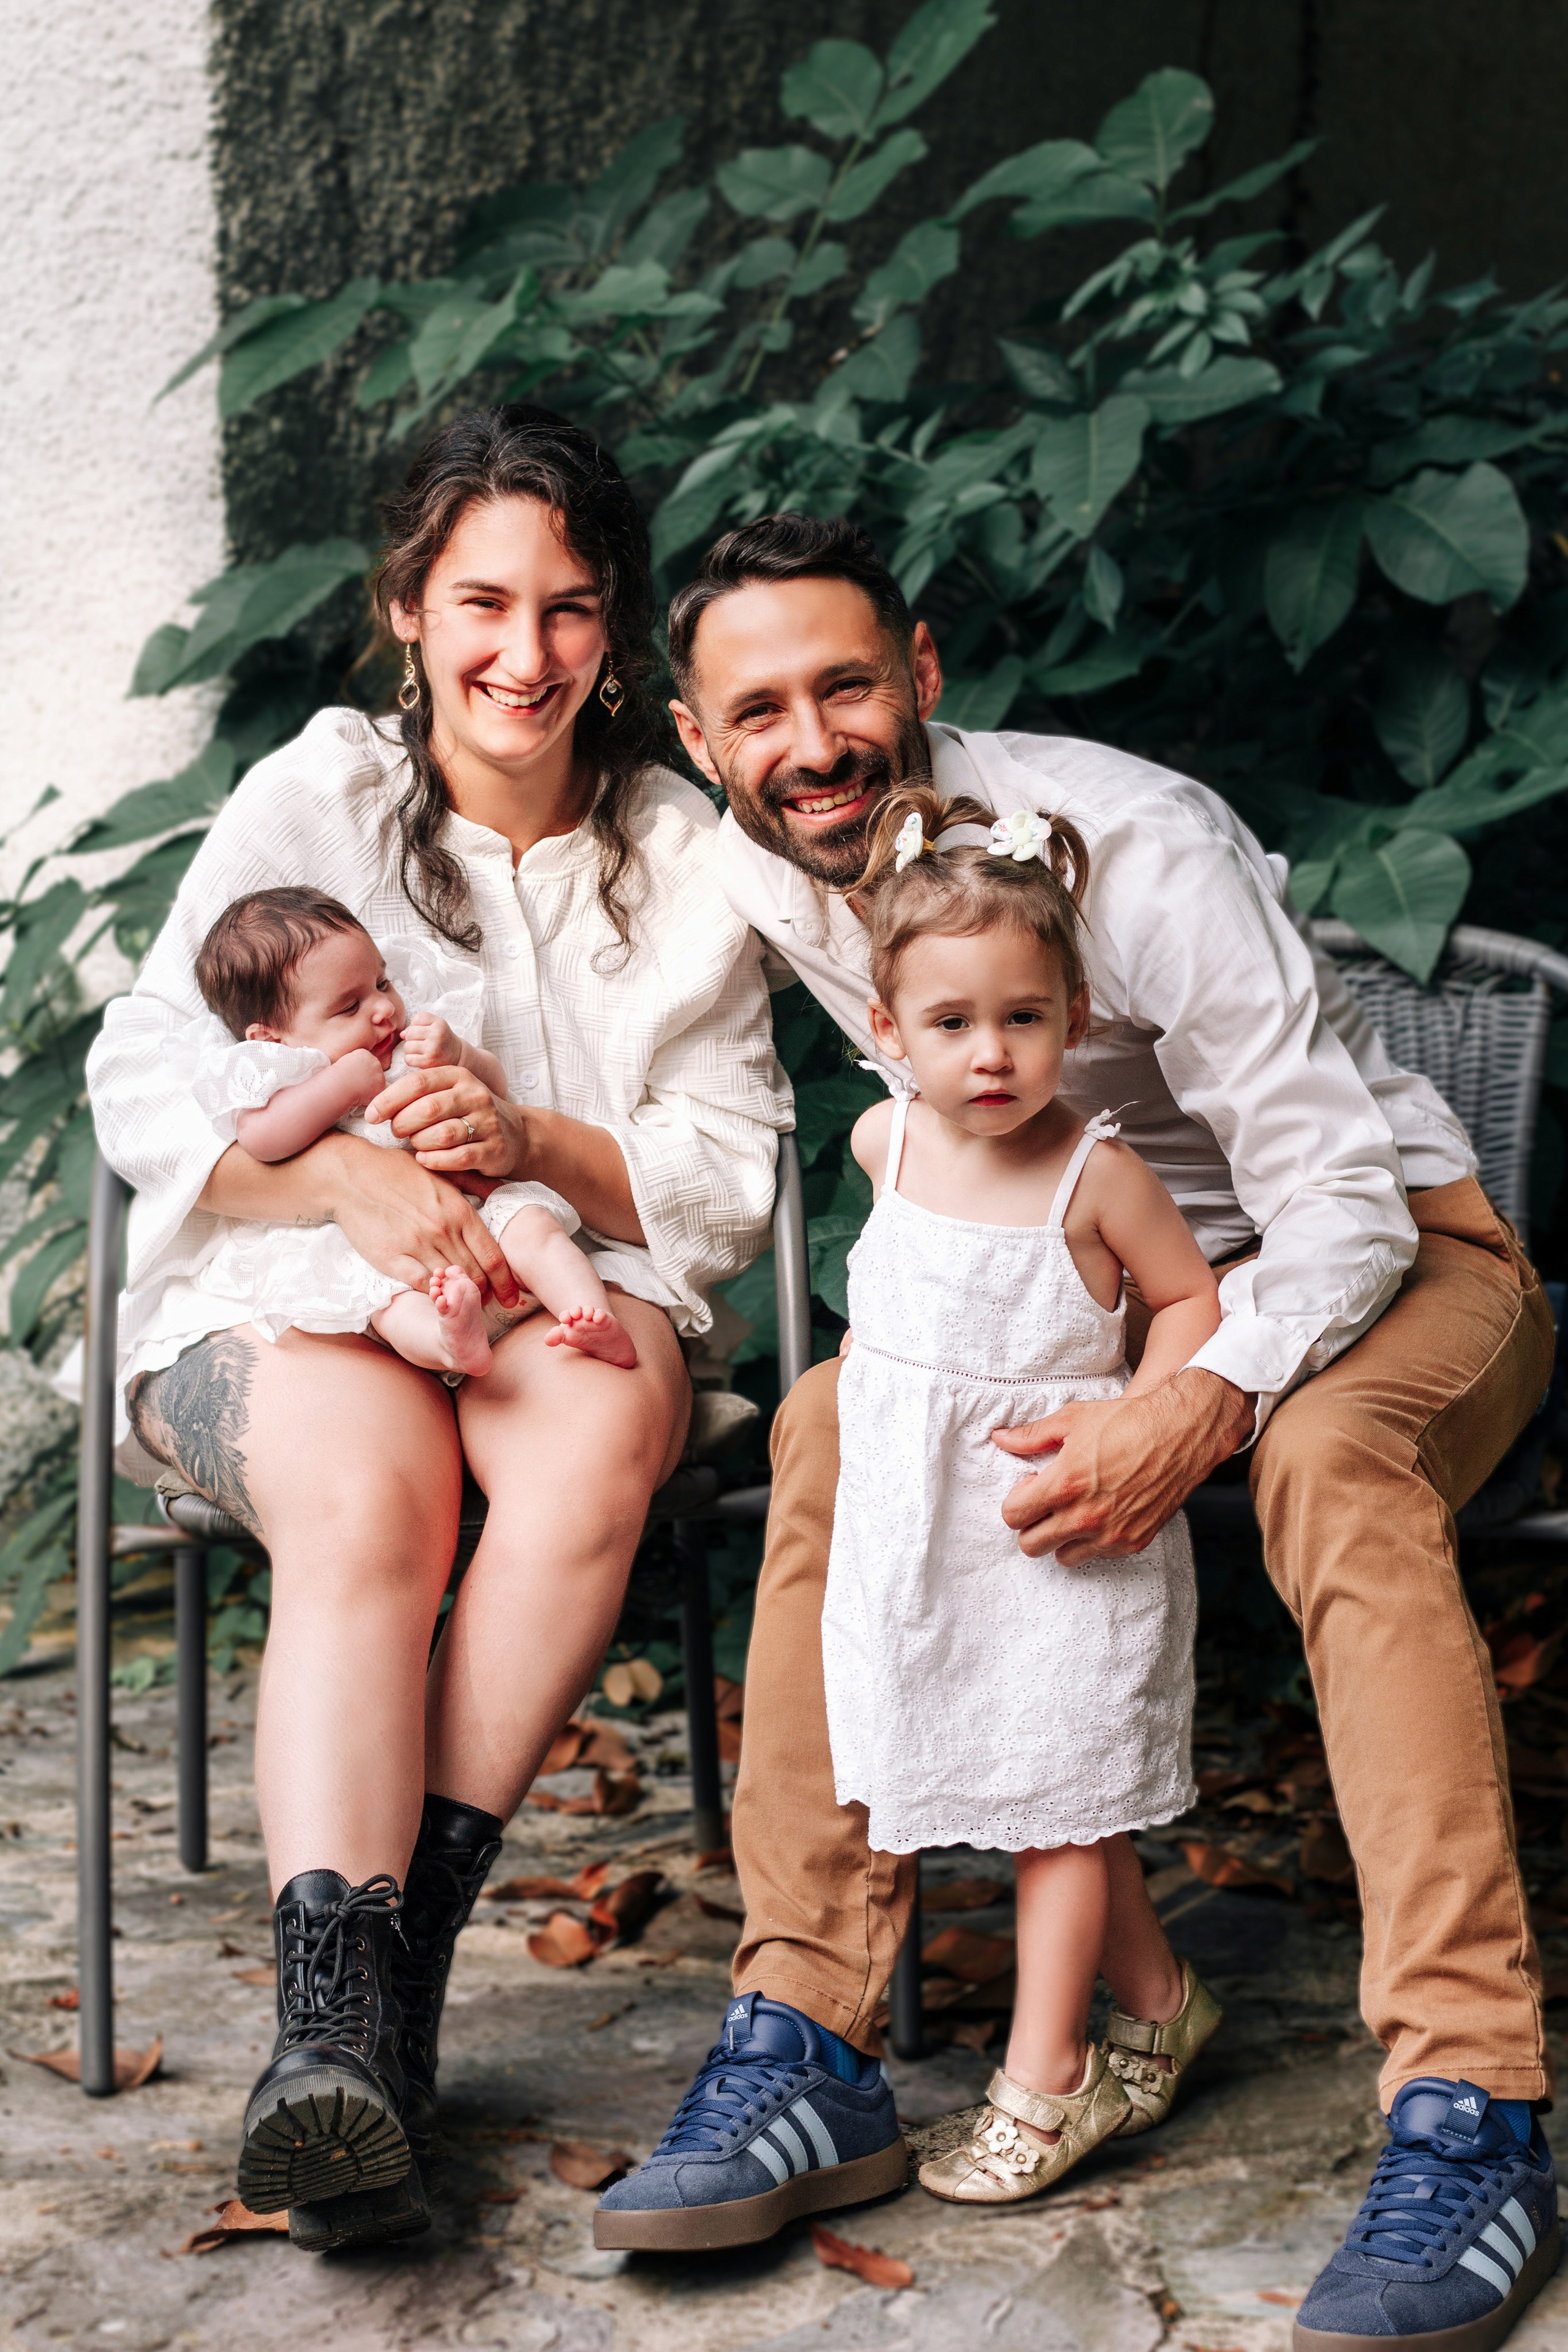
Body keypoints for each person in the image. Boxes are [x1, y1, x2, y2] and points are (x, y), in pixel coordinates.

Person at [597, 515, 1559, 2351]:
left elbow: (1340, 1201)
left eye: (846, 685)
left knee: (1321, 1462)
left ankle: (1470, 2109)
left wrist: (1185, 1401)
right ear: (701, 736)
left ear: (923, 674)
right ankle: (807, 2033)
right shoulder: (771, 868)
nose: (813, 739)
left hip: (1392, 1252)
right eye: (762, 709)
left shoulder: (1136, 843)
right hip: (1086, 1289)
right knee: (825, 1427)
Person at [86, 407, 789, 2249]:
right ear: (406, 606)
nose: (525, 653)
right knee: (373, 1486)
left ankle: (377, 2009)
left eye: (569, 608)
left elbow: (725, 1174)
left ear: (615, 626)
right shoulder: (316, 795)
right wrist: (346, 1186)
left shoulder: (674, 844)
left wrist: (534, 1139)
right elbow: (147, 1072)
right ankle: (339, 2011)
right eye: (481, 599)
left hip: (551, 1274)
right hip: (281, 1297)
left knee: (604, 1413)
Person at [827, 785, 1224, 2205]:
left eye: (1022, 1018)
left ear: (1071, 1016)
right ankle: (1162, 1995)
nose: (988, 1054)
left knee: (1059, 1800)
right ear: (888, 1030)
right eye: (949, 1022)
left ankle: (1043, 2072)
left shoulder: (1093, 1174)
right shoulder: (886, 1150)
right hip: (921, 1541)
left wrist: (1131, 1411)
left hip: (1061, 1532)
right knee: (1030, 1793)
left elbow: (1188, 1302)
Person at [179, 887, 638, 1376]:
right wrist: (337, 1088)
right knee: (389, 1303)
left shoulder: (407, 1042)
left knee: (535, 1228)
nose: (383, 1010)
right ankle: (450, 1342)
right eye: (348, 1007)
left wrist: (460, 1056)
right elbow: (261, 1141)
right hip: (376, 1245)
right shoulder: (283, 1073)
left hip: (481, 1205)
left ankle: (589, 1318)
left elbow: (495, 1093)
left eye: (382, 983)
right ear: (270, 1036)